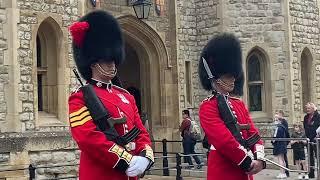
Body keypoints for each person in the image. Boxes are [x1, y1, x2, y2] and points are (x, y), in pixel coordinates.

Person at [68, 10, 154, 180]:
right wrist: (126, 160)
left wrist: (145, 156)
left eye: (113, 60)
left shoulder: (126, 96)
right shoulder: (79, 98)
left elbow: (140, 132)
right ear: (93, 62)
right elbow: (88, 139)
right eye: (106, 60)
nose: (112, 65)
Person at [198, 33, 266, 180]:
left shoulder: (239, 104)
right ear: (216, 77)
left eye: (234, 75)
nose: (233, 78)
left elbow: (253, 133)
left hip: (246, 171)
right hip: (224, 170)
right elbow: (223, 141)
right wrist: (247, 161)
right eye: (229, 76)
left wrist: (259, 158)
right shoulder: (208, 106)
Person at [303, 102, 320, 178]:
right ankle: (311, 173)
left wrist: (315, 137)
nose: (307, 110)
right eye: (307, 108)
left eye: (309, 108)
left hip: (316, 140)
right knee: (310, 157)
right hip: (308, 139)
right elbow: (305, 127)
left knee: (318, 156)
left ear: (313, 109)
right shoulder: (306, 117)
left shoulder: (318, 116)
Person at [271, 111, 290, 179]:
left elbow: (275, 137)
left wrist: (273, 141)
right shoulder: (282, 127)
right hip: (282, 144)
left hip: (279, 145)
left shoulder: (279, 127)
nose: (275, 121)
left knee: (280, 160)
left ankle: (282, 173)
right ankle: (284, 172)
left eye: (276, 119)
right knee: (282, 159)